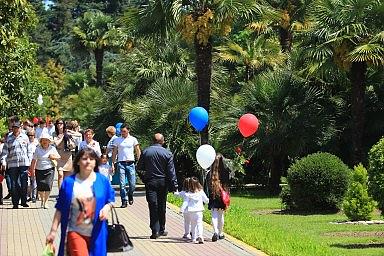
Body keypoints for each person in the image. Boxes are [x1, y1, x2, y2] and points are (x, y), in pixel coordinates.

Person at [46, 148, 115, 256]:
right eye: (84, 158)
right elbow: (60, 208)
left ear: (96, 162)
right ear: (78, 161)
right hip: (75, 231)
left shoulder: (102, 180)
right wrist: (53, 231)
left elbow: (110, 200)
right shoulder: (69, 182)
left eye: (91, 159)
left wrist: (106, 208)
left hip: (97, 232)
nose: (88, 161)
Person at [137, 133, 178, 239]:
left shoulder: (146, 152)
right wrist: (174, 185)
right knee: (161, 205)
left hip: (150, 182)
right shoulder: (167, 153)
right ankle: (162, 228)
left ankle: (155, 230)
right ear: (162, 141)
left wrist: (144, 178)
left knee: (153, 205)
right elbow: (171, 172)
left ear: (153, 140)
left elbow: (139, 167)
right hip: (163, 182)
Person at [0, 120, 31, 209]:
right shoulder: (8, 138)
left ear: (20, 128)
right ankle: (15, 203)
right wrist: (3, 161)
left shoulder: (25, 137)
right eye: (14, 127)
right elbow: (5, 152)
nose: (16, 129)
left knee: (23, 183)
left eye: (17, 127)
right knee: (14, 184)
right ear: (12, 128)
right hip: (12, 164)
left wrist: (29, 162)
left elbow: (28, 150)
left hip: (24, 163)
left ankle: (24, 201)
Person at [111, 124, 141, 207]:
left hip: (131, 163)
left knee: (132, 184)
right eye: (121, 131)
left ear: (128, 130)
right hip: (121, 163)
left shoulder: (133, 139)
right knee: (122, 184)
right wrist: (113, 164)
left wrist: (140, 161)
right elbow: (114, 152)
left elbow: (137, 150)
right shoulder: (117, 140)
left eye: (124, 131)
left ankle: (130, 194)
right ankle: (124, 200)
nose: (122, 133)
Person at [29, 132, 60, 209]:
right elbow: (34, 160)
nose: (45, 141)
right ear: (41, 141)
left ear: (49, 141)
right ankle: (42, 199)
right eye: (43, 140)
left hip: (49, 169)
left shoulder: (52, 148)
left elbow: (59, 157)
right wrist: (32, 171)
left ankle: (46, 202)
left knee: (48, 185)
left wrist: (53, 156)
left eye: (46, 140)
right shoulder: (37, 149)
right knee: (40, 187)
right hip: (39, 169)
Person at [206, 153, 230, 242]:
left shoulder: (210, 173)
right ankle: (221, 233)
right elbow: (227, 185)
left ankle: (215, 231)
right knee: (221, 214)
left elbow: (207, 186)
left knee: (214, 214)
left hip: (213, 195)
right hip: (222, 195)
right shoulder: (226, 172)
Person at [183, 177, 209, 244]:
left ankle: (194, 238)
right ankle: (200, 235)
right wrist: (209, 201)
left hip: (191, 211)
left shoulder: (188, 193)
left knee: (193, 225)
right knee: (199, 223)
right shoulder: (201, 192)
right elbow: (206, 200)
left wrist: (182, 209)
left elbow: (185, 202)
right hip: (199, 210)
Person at [53, 119, 74, 188]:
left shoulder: (68, 132)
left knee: (67, 177)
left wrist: (69, 138)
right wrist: (63, 137)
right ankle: (60, 193)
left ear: (63, 124)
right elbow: (56, 144)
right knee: (60, 175)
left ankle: (65, 193)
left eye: (61, 123)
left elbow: (79, 135)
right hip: (59, 156)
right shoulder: (54, 134)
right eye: (58, 123)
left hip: (67, 156)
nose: (59, 124)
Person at [26, 129, 39, 203]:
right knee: (27, 183)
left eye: (32, 135)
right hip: (27, 165)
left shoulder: (37, 144)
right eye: (29, 135)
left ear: (34, 136)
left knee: (34, 182)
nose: (30, 137)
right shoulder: (26, 143)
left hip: (35, 165)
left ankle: (34, 197)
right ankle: (28, 196)